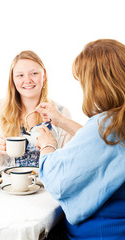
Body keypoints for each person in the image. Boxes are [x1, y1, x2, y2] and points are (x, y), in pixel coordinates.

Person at [36, 39, 125, 239]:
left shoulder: (104, 126)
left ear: (96, 83)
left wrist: (47, 145)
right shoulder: (115, 123)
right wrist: (62, 121)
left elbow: (58, 180)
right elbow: (105, 145)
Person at [0, 50, 79, 167]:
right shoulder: (0, 109)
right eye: (20, 75)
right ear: (13, 79)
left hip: (44, 184)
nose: (27, 80)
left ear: (44, 75)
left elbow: (70, 159)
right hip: (10, 184)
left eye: (34, 73)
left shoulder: (60, 112)